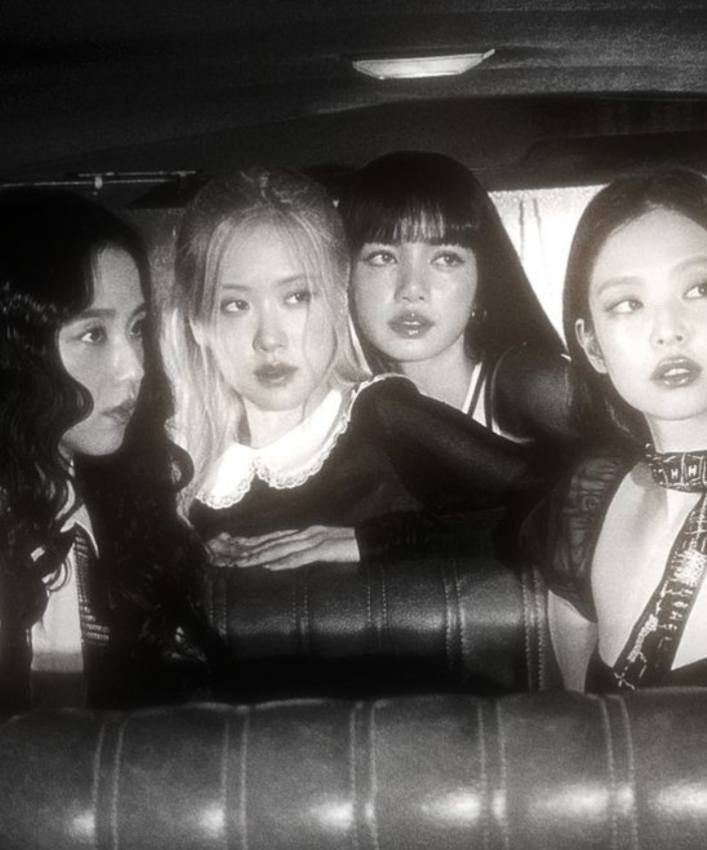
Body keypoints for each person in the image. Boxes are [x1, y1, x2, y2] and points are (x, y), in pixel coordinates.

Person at [163, 167, 552, 572]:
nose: (269, 339)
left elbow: (561, 508)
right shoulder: (177, 465)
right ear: (198, 323)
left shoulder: (384, 417)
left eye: (296, 297)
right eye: (236, 305)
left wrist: (381, 539)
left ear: (337, 300)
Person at [525, 168, 707, 692]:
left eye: (700, 289)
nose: (668, 331)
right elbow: (579, 722)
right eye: (627, 304)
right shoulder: (584, 504)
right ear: (592, 346)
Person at [0, 188, 211, 713]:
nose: (134, 368)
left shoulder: (113, 499)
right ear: (8, 351)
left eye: (137, 328)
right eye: (93, 334)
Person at [339, 151, 573, 443]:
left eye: (446, 259)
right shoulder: (342, 415)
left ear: (483, 280)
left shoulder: (538, 386)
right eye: (384, 257)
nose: (411, 289)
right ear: (345, 276)